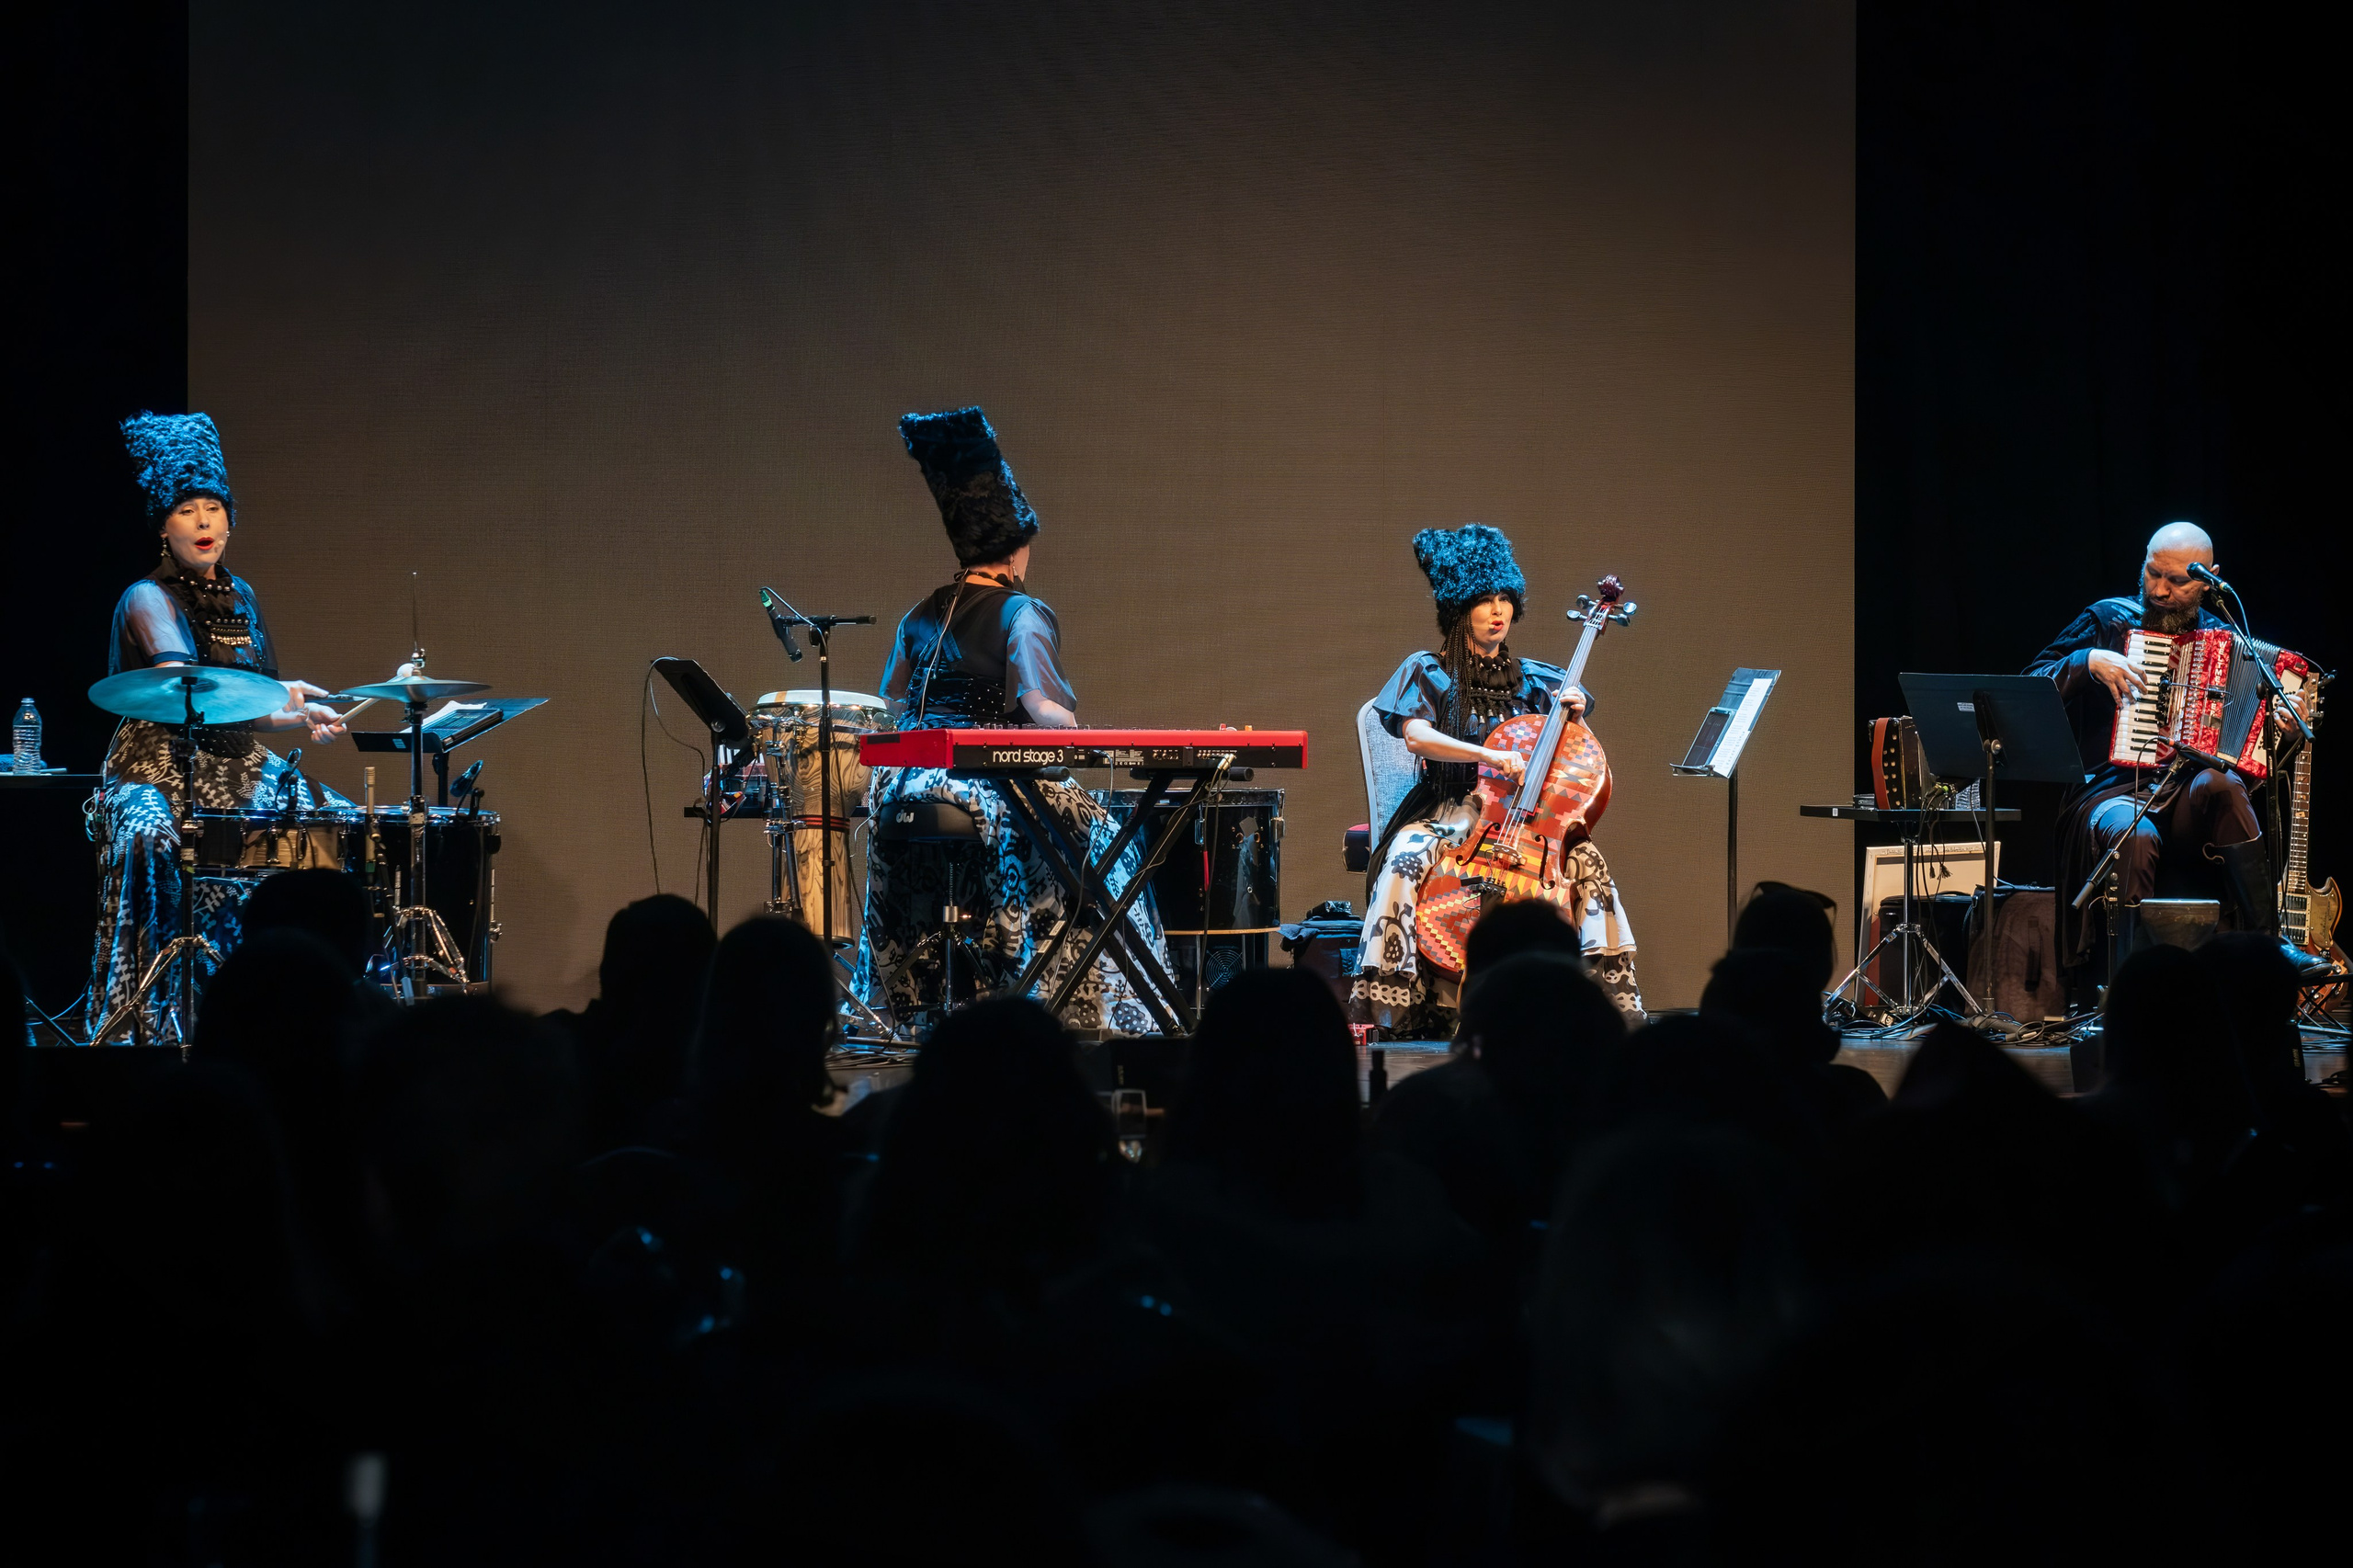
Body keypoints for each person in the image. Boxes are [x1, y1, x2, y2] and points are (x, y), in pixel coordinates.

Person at [852, 406, 1170, 1032]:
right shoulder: (1022, 610)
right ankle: (1095, 1007)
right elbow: (1042, 710)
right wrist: (1073, 730)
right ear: (1014, 549)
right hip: (985, 787)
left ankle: (906, 1000)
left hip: (904, 786)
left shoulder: (920, 612)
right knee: (1104, 842)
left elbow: (890, 703)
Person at [89, 413, 350, 1040]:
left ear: (231, 519)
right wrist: (256, 699)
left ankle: (303, 1013)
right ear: (162, 525)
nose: (204, 522)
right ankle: (148, 1018)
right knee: (152, 834)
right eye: (187, 510)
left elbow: (251, 705)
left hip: (238, 760)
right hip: (154, 763)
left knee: (335, 825)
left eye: (214, 508)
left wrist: (295, 714)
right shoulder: (146, 598)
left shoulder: (245, 596)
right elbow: (186, 687)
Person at [1351, 525, 1642, 1030]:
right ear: (1460, 609)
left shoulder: (1538, 680)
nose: (1498, 611)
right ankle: (1389, 1000)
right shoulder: (1429, 671)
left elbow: (1573, 763)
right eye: (1485, 600)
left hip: (1527, 818)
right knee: (1405, 859)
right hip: (1453, 808)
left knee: (1591, 866)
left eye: (1505, 599)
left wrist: (1570, 719)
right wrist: (1487, 753)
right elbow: (1418, 736)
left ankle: (1607, 1008)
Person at [2026, 521, 2330, 981]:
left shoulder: (2228, 644)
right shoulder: (2107, 621)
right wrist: (2084, 661)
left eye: (2177, 581)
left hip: (2185, 794)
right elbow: (2029, 684)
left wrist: (2283, 730)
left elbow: (2253, 756)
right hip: (2110, 793)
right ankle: (2132, 986)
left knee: (2224, 784)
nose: (2161, 590)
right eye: (2153, 574)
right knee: (2135, 832)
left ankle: (2271, 944)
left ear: (2209, 579)